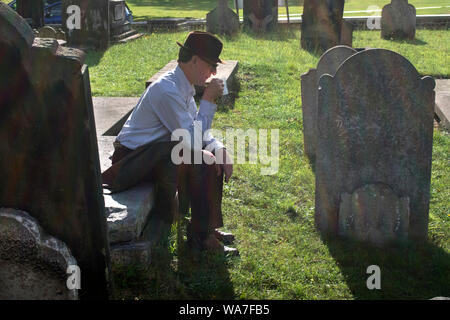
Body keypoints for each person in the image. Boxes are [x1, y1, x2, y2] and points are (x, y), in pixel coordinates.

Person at [101, 31, 236, 254]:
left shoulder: (183, 88)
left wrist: (219, 148)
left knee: (209, 156)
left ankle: (205, 230)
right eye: (211, 65)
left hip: (157, 154)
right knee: (200, 157)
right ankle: (202, 237)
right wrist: (209, 101)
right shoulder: (167, 90)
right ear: (194, 60)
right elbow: (191, 141)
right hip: (131, 159)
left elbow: (197, 132)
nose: (214, 72)